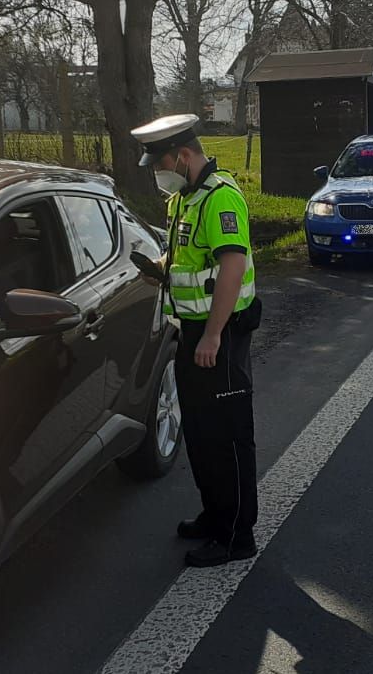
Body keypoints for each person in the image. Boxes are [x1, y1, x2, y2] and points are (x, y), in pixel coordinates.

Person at [130, 114, 261, 568]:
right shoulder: (185, 199)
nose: (157, 174)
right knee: (202, 435)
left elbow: (232, 267)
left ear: (183, 157)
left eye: (160, 164)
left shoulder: (222, 199)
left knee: (228, 438)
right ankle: (214, 516)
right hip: (192, 335)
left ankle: (237, 536)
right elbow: (189, 255)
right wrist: (160, 265)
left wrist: (212, 334)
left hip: (218, 338)